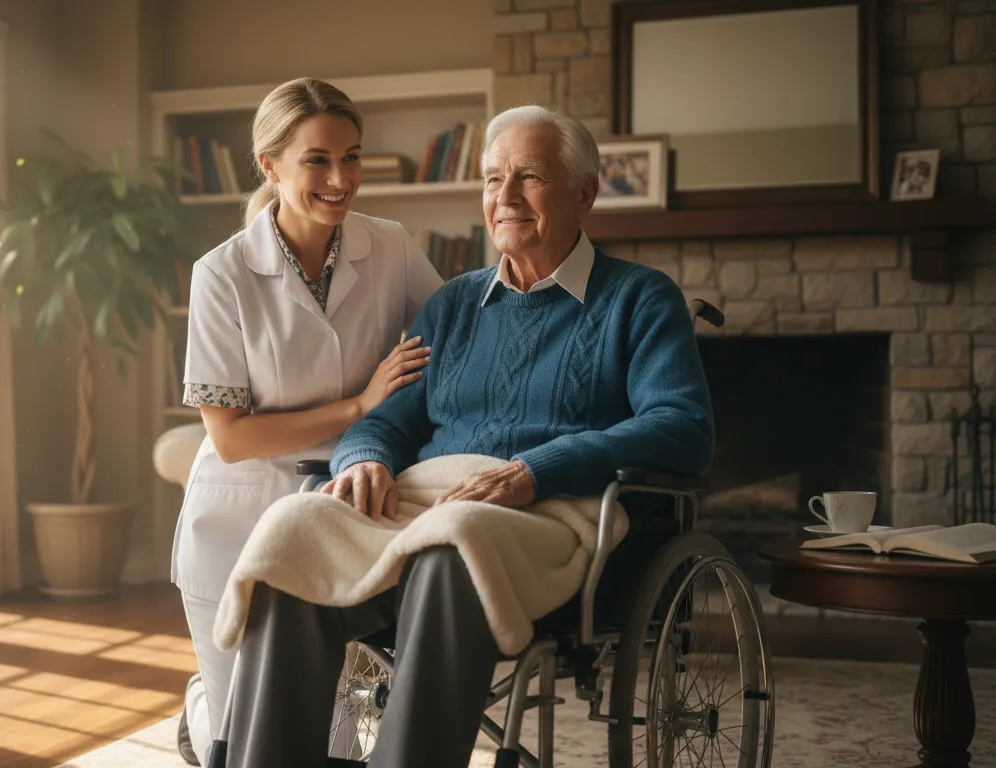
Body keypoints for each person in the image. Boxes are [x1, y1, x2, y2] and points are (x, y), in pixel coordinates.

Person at [218, 105, 715, 767]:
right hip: (431, 504)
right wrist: (366, 457)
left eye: (529, 177)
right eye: (490, 180)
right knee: (294, 526)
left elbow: (680, 425)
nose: (504, 197)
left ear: (585, 194)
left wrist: (536, 468)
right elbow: (388, 420)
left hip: (552, 512)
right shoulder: (453, 305)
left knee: (453, 546)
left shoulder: (638, 299)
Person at [171, 77, 445, 766]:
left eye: (351, 157)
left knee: (333, 745)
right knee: (246, 743)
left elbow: (455, 341)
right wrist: (358, 405)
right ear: (270, 165)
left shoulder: (392, 246)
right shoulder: (222, 274)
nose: (340, 178)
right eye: (317, 160)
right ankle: (204, 712)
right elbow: (231, 438)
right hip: (238, 522)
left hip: (346, 512)